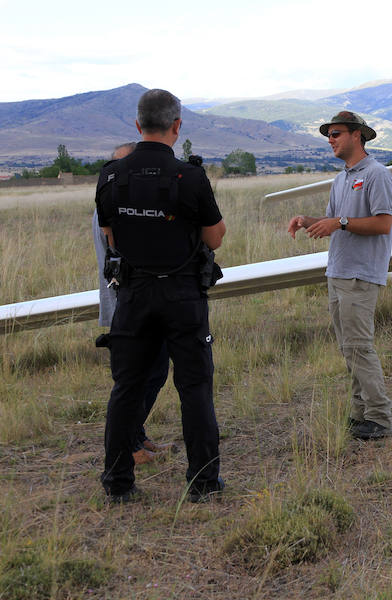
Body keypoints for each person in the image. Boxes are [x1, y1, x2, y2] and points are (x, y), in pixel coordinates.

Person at [95, 89, 226, 503]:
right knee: (194, 388)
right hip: (182, 294)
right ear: (177, 126)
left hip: (132, 295)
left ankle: (118, 483)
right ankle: (203, 482)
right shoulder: (190, 176)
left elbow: (110, 236)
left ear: (137, 125)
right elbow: (216, 238)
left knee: (126, 389)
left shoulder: (111, 175)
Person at [288, 111, 392, 440]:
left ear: (356, 135)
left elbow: (383, 223)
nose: (330, 140)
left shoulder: (377, 175)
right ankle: (360, 412)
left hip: (361, 275)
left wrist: (341, 223)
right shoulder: (341, 178)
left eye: (336, 134)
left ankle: (379, 417)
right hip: (338, 272)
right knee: (349, 349)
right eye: (328, 135)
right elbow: (335, 219)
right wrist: (309, 220)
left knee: (360, 347)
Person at [92, 141, 174, 466]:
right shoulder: (113, 206)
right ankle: (129, 446)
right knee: (143, 378)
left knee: (152, 373)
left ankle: (136, 436)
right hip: (129, 306)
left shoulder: (114, 201)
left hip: (134, 304)